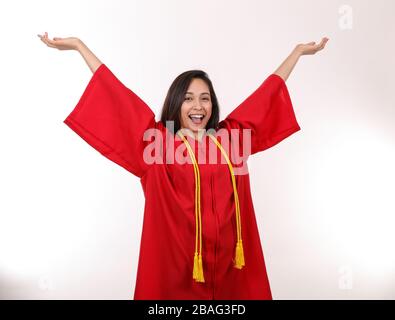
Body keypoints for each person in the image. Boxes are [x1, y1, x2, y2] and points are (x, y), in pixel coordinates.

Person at [38, 32, 329, 300]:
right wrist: (80, 47)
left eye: (205, 99)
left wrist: (297, 53)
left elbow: (265, 96)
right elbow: (118, 98)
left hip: (230, 268)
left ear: (213, 105)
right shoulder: (155, 145)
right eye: (188, 99)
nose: (198, 107)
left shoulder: (230, 141)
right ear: (176, 103)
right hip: (179, 271)